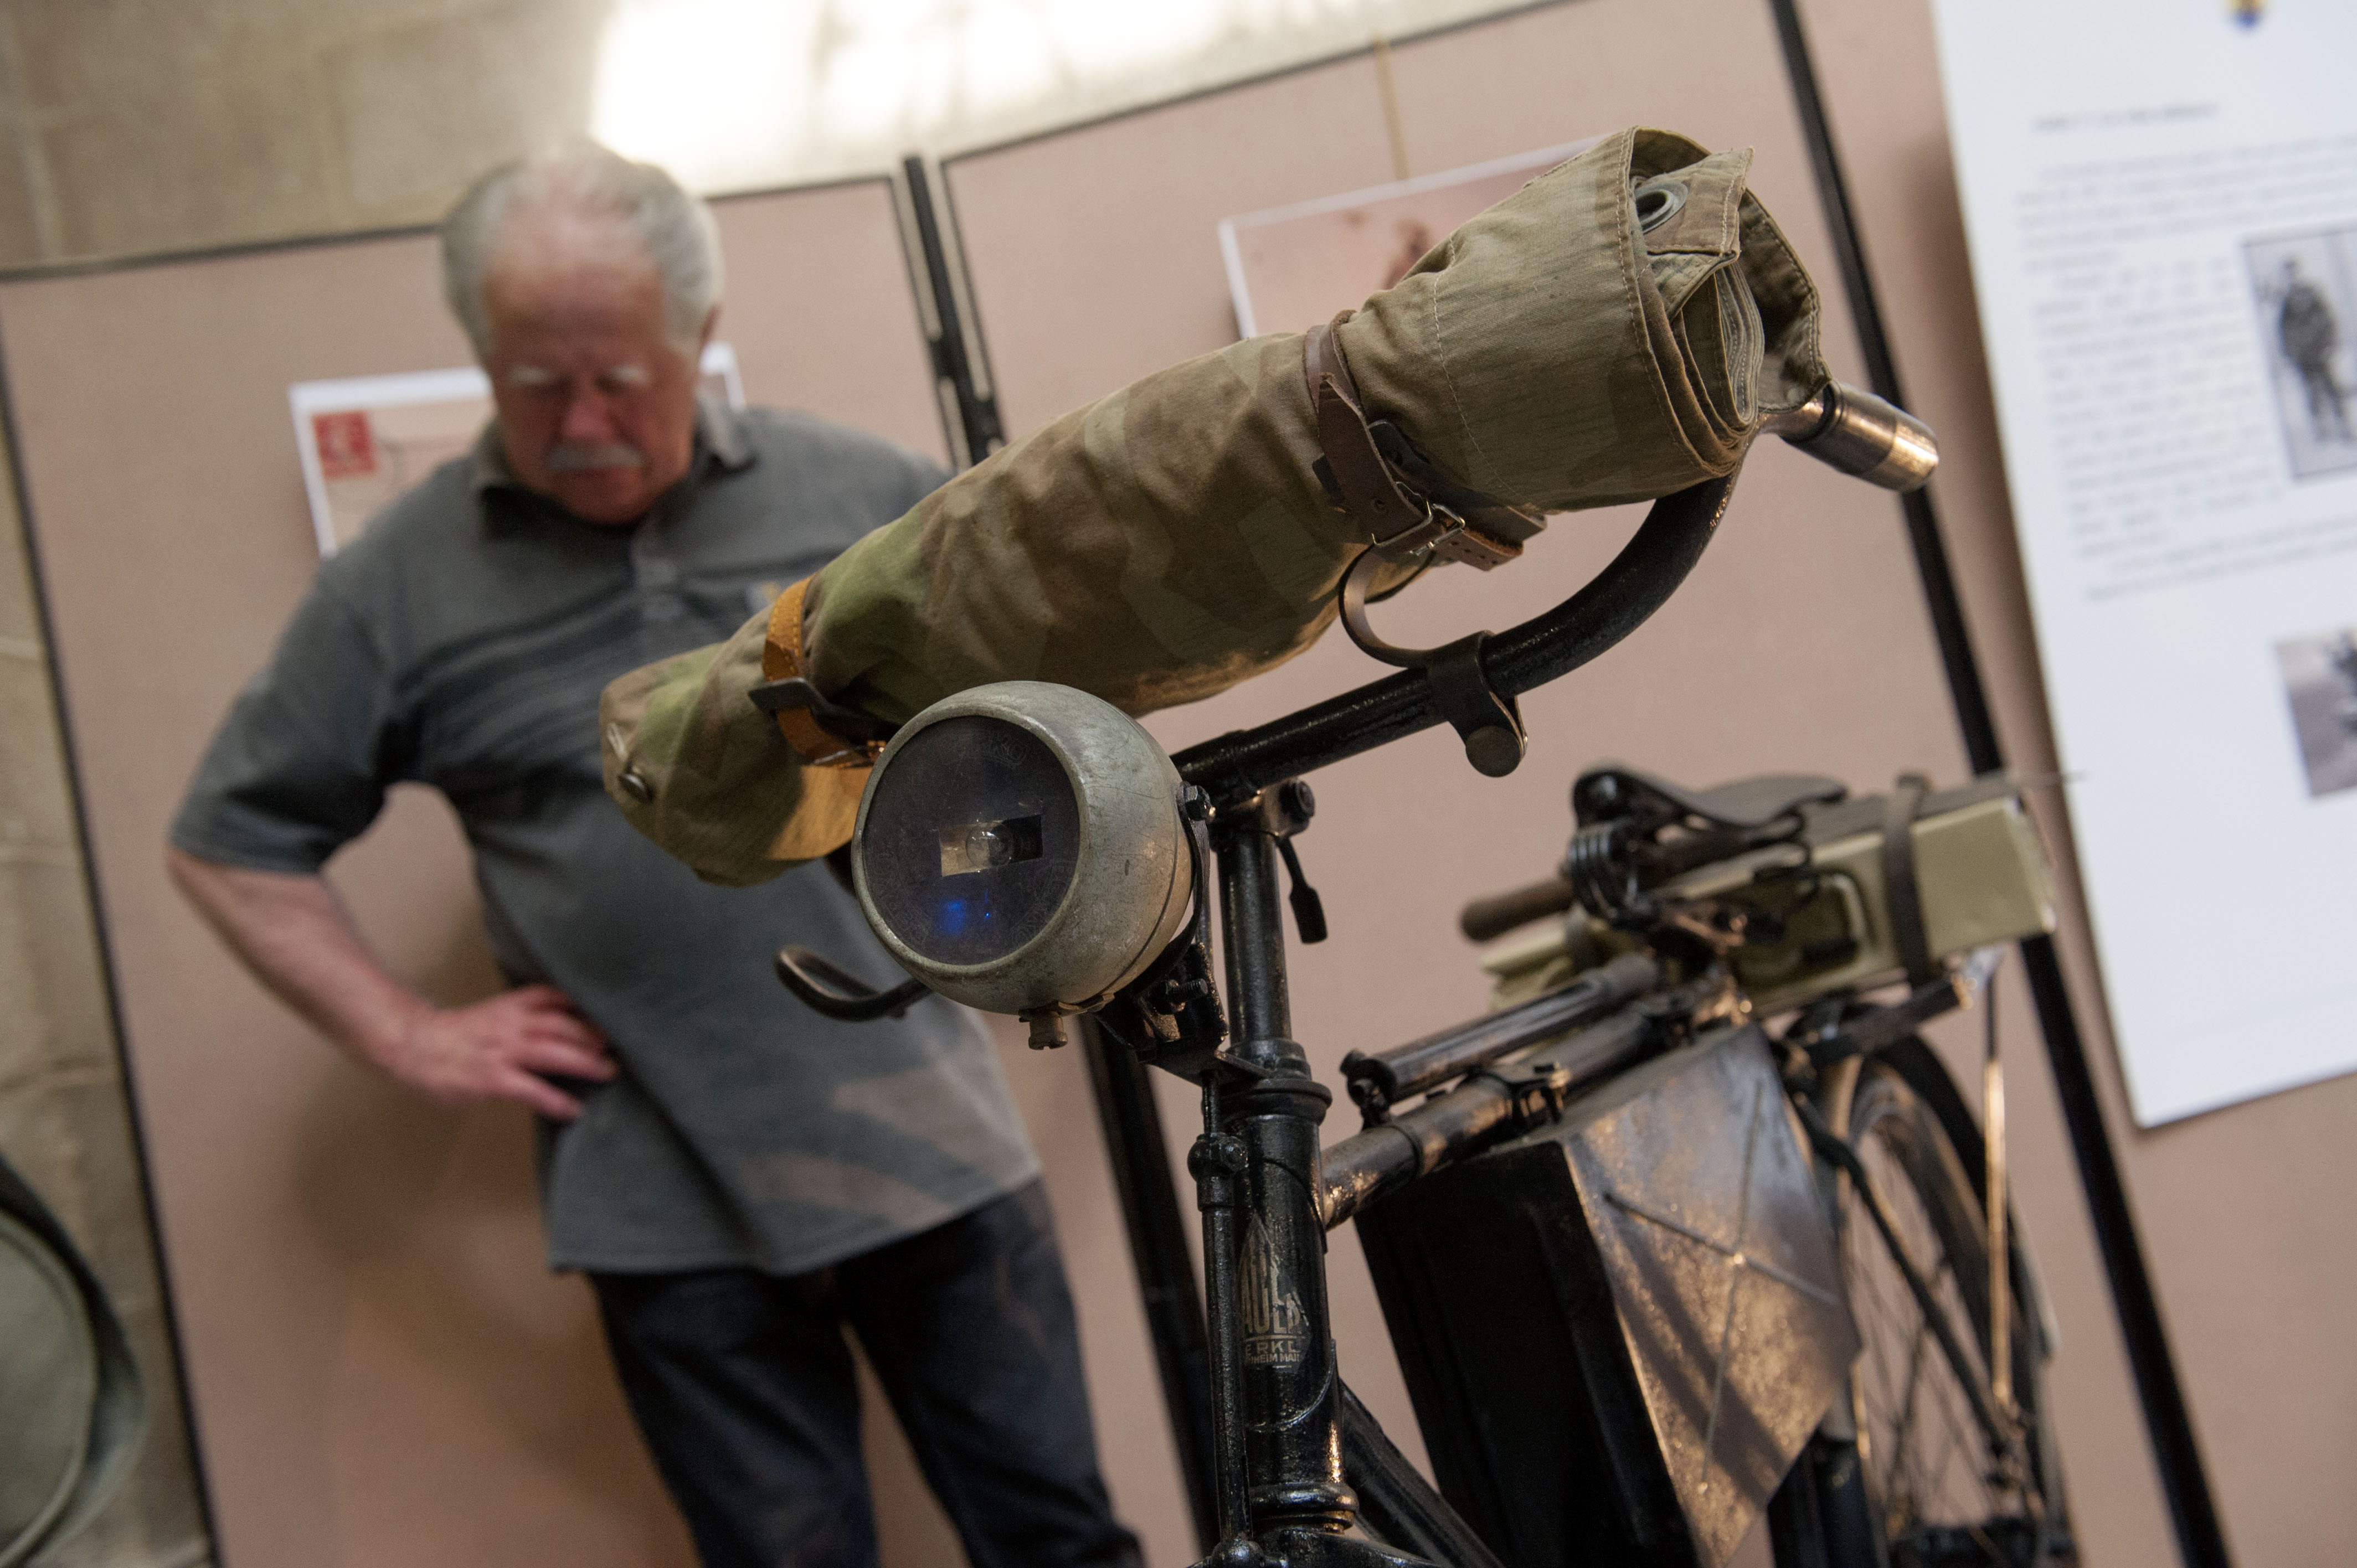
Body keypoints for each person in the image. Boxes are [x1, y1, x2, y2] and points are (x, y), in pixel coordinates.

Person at [166, 142, 1140, 1568]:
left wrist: (1045, 922)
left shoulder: (865, 498)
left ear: (700, 330)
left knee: (1059, 1539)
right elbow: (230, 841)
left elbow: (1042, 730)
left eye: (620, 377)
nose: (579, 424)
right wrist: (409, 1034)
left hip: (928, 1145)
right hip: (660, 1207)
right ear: (482, 355)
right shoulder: (396, 589)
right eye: (532, 382)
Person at [2278, 258, 2352, 443]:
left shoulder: (2313, 292)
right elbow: (2284, 331)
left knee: (2333, 391)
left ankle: (2344, 427)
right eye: (2288, 273)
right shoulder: (2286, 301)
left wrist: (2330, 344)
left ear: (2299, 271)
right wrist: (2291, 354)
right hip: (2303, 358)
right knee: (2312, 394)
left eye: (2294, 271)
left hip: (2321, 353)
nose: (2292, 276)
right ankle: (2322, 430)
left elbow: (2328, 319)